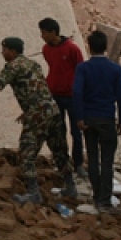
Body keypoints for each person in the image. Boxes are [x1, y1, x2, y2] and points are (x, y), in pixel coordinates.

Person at [0, 37, 78, 203]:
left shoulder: (13, 66)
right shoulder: (34, 65)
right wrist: (28, 110)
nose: (2, 53)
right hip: (52, 110)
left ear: (12, 51)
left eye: (4, 50)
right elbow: (38, 88)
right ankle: (70, 187)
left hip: (37, 115)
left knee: (26, 153)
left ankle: (34, 193)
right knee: (60, 151)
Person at [73, 31, 121, 212]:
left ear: (89, 46)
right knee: (107, 161)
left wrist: (79, 117)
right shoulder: (115, 69)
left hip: (88, 119)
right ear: (106, 47)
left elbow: (77, 93)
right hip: (107, 118)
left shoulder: (83, 68)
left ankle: (96, 196)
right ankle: (105, 200)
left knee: (93, 159)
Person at [39, 18, 87, 178]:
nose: (42, 36)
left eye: (44, 32)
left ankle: (78, 163)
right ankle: (63, 163)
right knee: (58, 132)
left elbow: (81, 71)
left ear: (53, 32)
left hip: (72, 97)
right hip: (55, 95)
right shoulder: (46, 49)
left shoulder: (72, 49)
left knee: (76, 131)